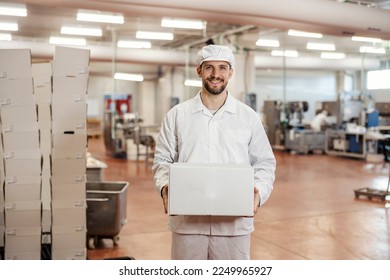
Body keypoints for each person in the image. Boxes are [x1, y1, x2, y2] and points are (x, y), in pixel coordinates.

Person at [152, 44, 276, 260]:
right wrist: (165, 187)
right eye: (209, 67)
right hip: (188, 224)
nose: (216, 74)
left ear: (231, 72)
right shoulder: (178, 115)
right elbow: (162, 159)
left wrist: (258, 192)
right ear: (199, 71)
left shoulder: (247, 117)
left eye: (222, 68)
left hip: (233, 225)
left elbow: (264, 162)